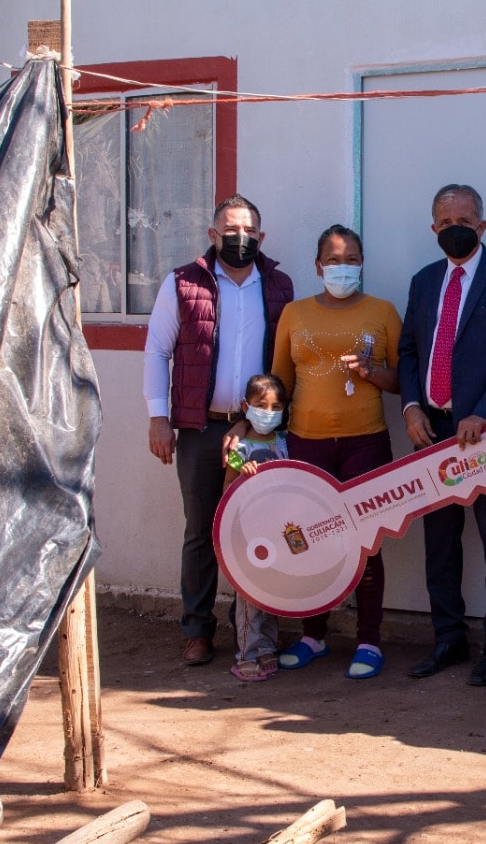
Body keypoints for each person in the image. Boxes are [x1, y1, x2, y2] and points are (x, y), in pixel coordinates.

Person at [143, 194, 293, 666]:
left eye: (248, 230)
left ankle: (249, 628)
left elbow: (282, 362)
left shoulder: (278, 286)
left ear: (261, 237)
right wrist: (158, 417)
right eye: (230, 230)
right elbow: (157, 351)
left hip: (258, 430)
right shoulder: (183, 283)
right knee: (202, 530)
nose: (239, 238)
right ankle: (197, 630)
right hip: (199, 428)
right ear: (212, 235)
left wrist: (250, 421)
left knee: (256, 530)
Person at [398, 183, 486, 687]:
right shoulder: (423, 281)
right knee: (440, 541)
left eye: (464, 221)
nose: (454, 228)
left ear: (482, 225)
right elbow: (409, 351)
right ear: (433, 228)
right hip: (433, 432)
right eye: (445, 222)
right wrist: (411, 407)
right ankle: (448, 638)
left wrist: (484, 414)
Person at [269, 224, 402, 680]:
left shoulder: (383, 312)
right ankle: (314, 635)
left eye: (350, 260)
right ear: (317, 265)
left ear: (361, 264)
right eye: (333, 260)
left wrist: (371, 372)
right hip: (306, 442)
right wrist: (257, 428)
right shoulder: (294, 313)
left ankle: (368, 640)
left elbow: (402, 381)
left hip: (366, 441)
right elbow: (279, 382)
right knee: (307, 539)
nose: (341, 268)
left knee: (366, 542)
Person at [224, 373, 289, 682]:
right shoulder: (239, 448)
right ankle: (246, 654)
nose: (268, 412)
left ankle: (266, 647)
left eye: (276, 407)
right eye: (261, 405)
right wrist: (242, 478)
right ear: (245, 406)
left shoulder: (283, 443)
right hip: (247, 535)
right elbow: (226, 492)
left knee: (271, 592)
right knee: (249, 597)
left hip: (276, 534)